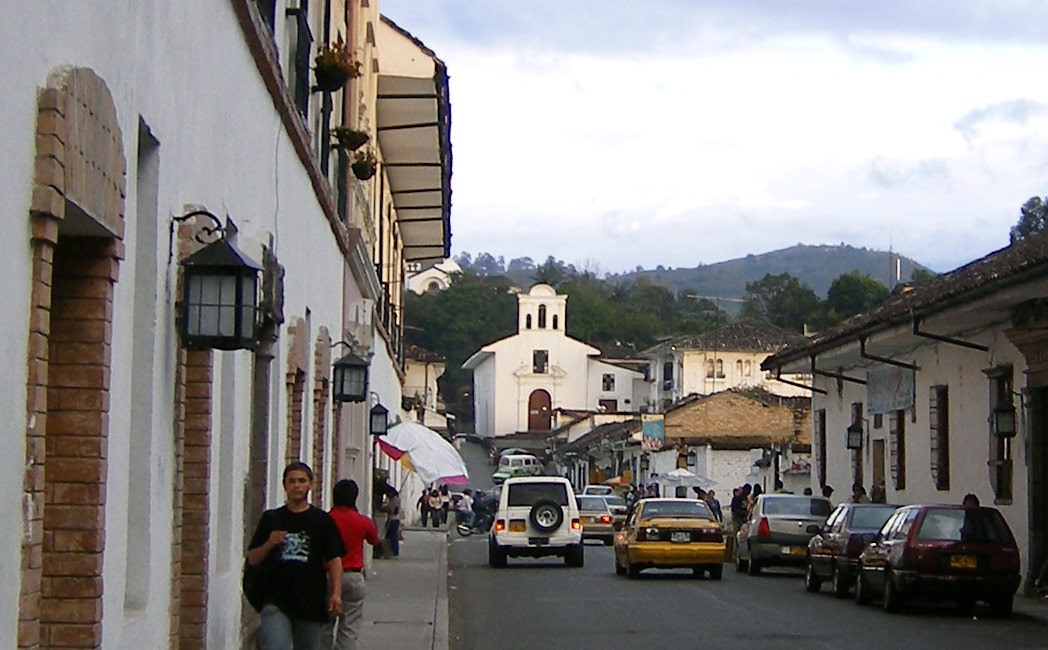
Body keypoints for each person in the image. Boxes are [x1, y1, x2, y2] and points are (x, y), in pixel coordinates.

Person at [247, 462, 346, 650]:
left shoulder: (322, 521)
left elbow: (334, 559)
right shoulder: (271, 519)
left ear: (310, 484)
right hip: (275, 599)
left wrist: (336, 593)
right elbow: (253, 559)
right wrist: (269, 543)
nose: (297, 486)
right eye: (291, 481)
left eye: (302, 481)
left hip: (310, 599)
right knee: (276, 646)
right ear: (284, 485)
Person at [326, 479, 380, 650]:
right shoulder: (362, 521)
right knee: (349, 628)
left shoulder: (326, 520)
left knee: (324, 627)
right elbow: (374, 540)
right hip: (353, 576)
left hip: (327, 576)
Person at [381, 486, 402, 557]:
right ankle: (390, 551)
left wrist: (389, 511)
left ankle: (394, 551)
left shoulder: (395, 500)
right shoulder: (391, 500)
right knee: (389, 536)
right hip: (391, 519)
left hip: (394, 519)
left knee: (393, 536)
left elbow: (395, 510)